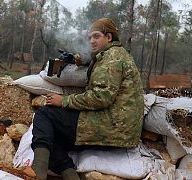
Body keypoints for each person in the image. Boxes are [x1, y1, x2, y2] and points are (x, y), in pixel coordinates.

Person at [28, 18, 144, 180]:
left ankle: (37, 172)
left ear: (109, 37)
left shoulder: (111, 60)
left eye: (96, 36)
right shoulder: (115, 54)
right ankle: (70, 175)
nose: (91, 41)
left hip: (111, 128)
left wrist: (64, 101)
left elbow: (100, 97)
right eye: (90, 37)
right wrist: (80, 59)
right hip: (119, 128)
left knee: (44, 115)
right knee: (50, 133)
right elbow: (96, 59)